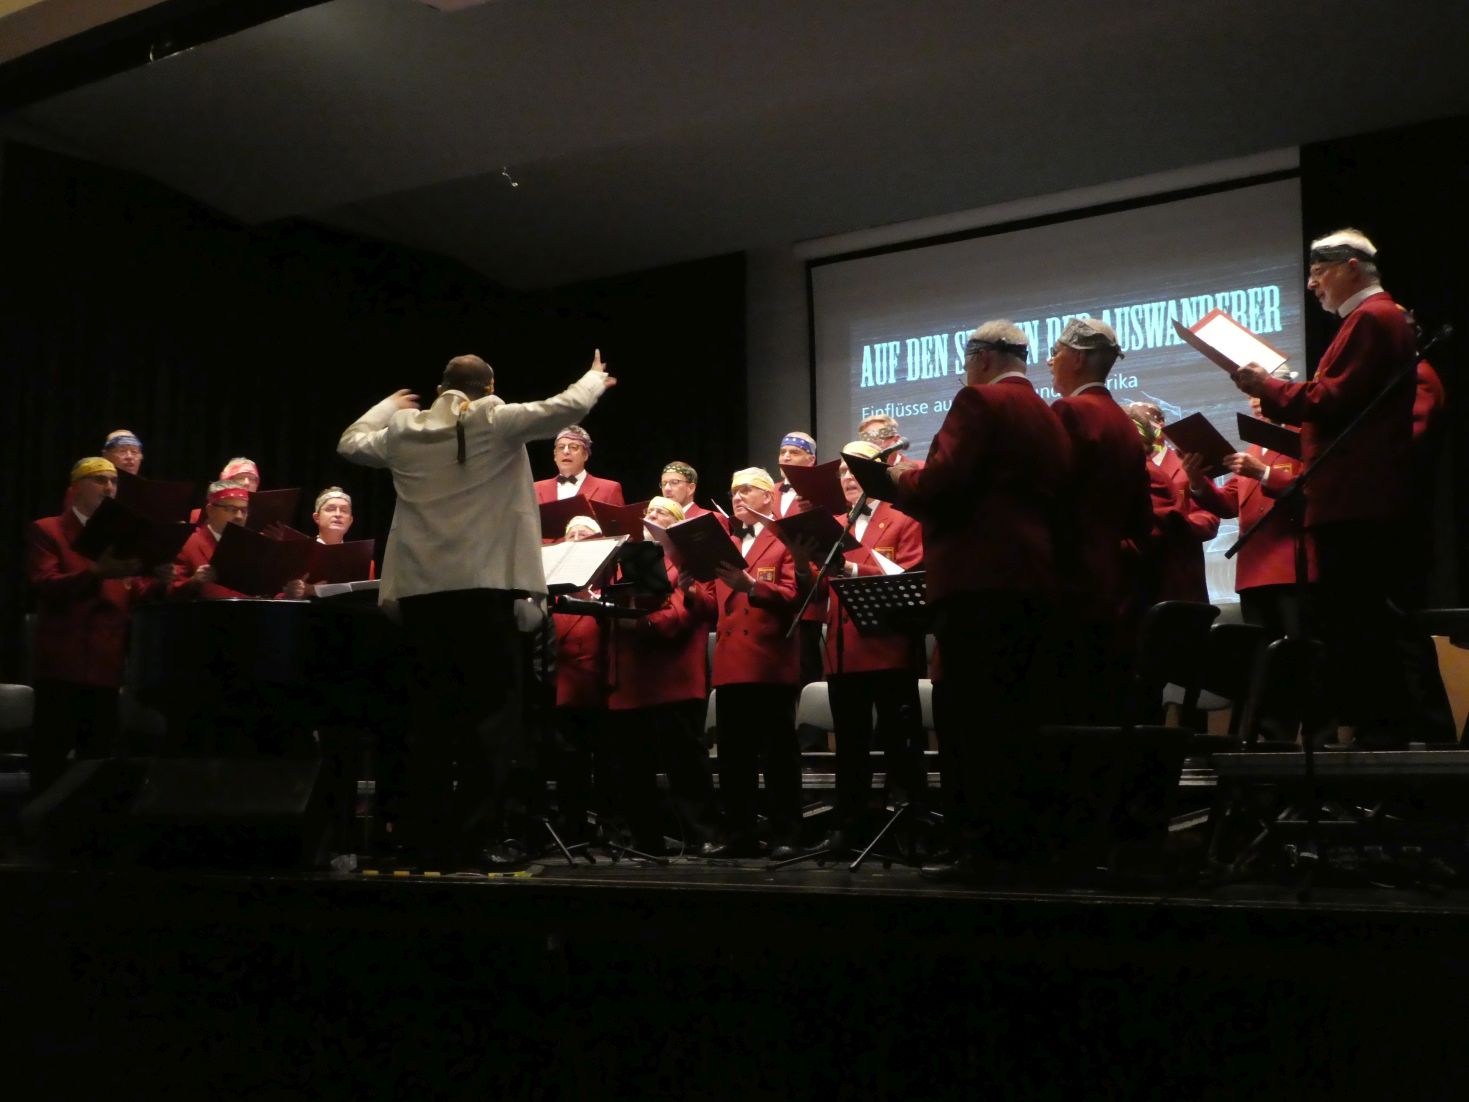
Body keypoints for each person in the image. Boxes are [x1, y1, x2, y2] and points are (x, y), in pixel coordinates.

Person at [337, 350, 614, 868]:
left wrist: (387, 406)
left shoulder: (405, 430)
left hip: (421, 595)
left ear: (440, 387)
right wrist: (594, 378)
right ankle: (477, 839)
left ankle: (425, 839)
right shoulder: (494, 418)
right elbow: (563, 408)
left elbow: (350, 443)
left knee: (428, 720)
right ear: (489, 386)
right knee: (489, 720)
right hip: (483, 592)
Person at [1233, 228, 1450, 746]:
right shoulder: (1371, 319)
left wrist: (1268, 386)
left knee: (1367, 626)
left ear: (1352, 266)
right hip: (1353, 501)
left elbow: (1332, 400)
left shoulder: (1372, 317)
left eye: (1318, 271)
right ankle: (1383, 739)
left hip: (1358, 504)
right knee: (1362, 626)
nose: (1311, 284)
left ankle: (1390, 742)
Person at [880, 320, 1073, 880]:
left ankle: (978, 850)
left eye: (967, 359)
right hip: (1033, 581)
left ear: (984, 357)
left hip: (977, 582)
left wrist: (897, 477)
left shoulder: (978, 402)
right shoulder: (1049, 414)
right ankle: (1018, 848)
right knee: (1017, 721)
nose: (965, 370)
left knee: (971, 721)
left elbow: (944, 482)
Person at [789, 441, 926, 854]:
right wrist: (801, 564)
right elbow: (816, 594)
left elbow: (910, 578)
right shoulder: (833, 525)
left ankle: (910, 832)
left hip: (888, 648)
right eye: (843, 472)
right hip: (842, 650)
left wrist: (849, 568)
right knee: (850, 747)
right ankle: (848, 828)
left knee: (901, 744)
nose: (848, 477)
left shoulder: (903, 517)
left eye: (855, 469)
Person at [25, 458, 164, 796]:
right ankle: (38, 822)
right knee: (50, 760)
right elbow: (45, 583)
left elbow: (133, 589)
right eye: (99, 480)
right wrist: (96, 573)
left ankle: (90, 824)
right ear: (75, 488)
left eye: (113, 482)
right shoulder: (48, 530)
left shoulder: (121, 536)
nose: (109, 488)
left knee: (98, 763)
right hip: (63, 665)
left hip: (106, 665)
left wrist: (160, 580)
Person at [1048, 320, 1156, 723]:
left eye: (1056, 353)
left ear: (1077, 359)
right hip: (1115, 586)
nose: (1050, 362)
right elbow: (1142, 518)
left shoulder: (1069, 411)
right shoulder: (1124, 421)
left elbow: (1051, 496)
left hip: (1070, 584)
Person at [605, 496, 723, 855]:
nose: (651, 516)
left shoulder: (690, 561)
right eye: (649, 512)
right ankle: (645, 839)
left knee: (685, 761)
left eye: (661, 513)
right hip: (635, 676)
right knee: (634, 764)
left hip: (674, 674)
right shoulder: (626, 562)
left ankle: (702, 834)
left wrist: (642, 622)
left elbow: (697, 609)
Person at [709, 467, 806, 858]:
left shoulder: (785, 539)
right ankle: (740, 834)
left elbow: (796, 596)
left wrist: (752, 586)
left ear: (769, 496)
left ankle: (787, 834)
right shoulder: (725, 543)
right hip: (731, 660)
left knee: (779, 755)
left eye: (747, 490)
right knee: (734, 757)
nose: (738, 497)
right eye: (734, 491)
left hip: (769, 660)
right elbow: (710, 603)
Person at [1181, 375, 1312, 640]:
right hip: (1252, 571)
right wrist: (1198, 482)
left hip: (1290, 566)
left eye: (1260, 394)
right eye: (1251, 396)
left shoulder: (1302, 439)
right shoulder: (1253, 450)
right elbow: (1229, 504)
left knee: (1298, 647)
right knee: (1259, 650)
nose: (1254, 401)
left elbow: (1313, 491)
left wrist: (1264, 473)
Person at [1128, 401, 1220, 604]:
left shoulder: (1188, 463)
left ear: (1160, 422)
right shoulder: (1126, 468)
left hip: (1180, 571)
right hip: (1138, 574)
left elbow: (1209, 518)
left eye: (1147, 420)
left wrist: (1176, 525)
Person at [171, 480, 309, 600]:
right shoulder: (189, 542)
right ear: (210, 510)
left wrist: (288, 595)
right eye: (231, 509)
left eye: (243, 510)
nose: (239, 516)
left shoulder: (253, 546)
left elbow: (266, 592)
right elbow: (169, 592)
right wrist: (193, 582)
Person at [534, 425, 624, 505]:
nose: (566, 451)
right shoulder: (535, 489)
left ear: (585, 455)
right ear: (555, 456)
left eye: (573, 447)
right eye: (561, 447)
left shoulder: (609, 489)